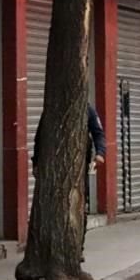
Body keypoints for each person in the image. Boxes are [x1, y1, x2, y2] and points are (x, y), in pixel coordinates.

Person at [31, 103, 106, 261]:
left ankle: (78, 248)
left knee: (78, 207)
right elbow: (39, 137)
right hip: (54, 167)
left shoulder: (87, 109)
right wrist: (36, 162)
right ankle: (49, 248)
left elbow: (98, 133)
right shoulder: (53, 108)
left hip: (78, 167)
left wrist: (100, 153)